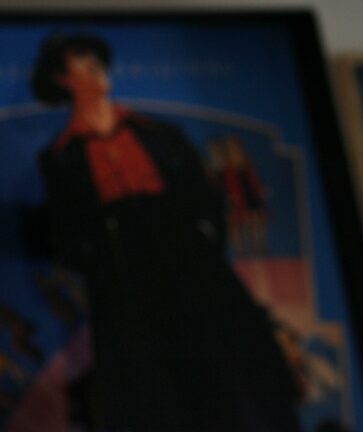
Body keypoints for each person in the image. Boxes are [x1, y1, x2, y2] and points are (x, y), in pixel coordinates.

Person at [32, 33, 301, 431]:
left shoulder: (158, 133)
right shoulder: (60, 157)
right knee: (151, 376)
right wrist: (102, 261)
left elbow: (204, 197)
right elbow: (66, 231)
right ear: (62, 79)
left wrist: (202, 242)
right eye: (81, 64)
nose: (96, 70)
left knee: (225, 358)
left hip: (188, 259)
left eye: (97, 61)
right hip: (124, 275)